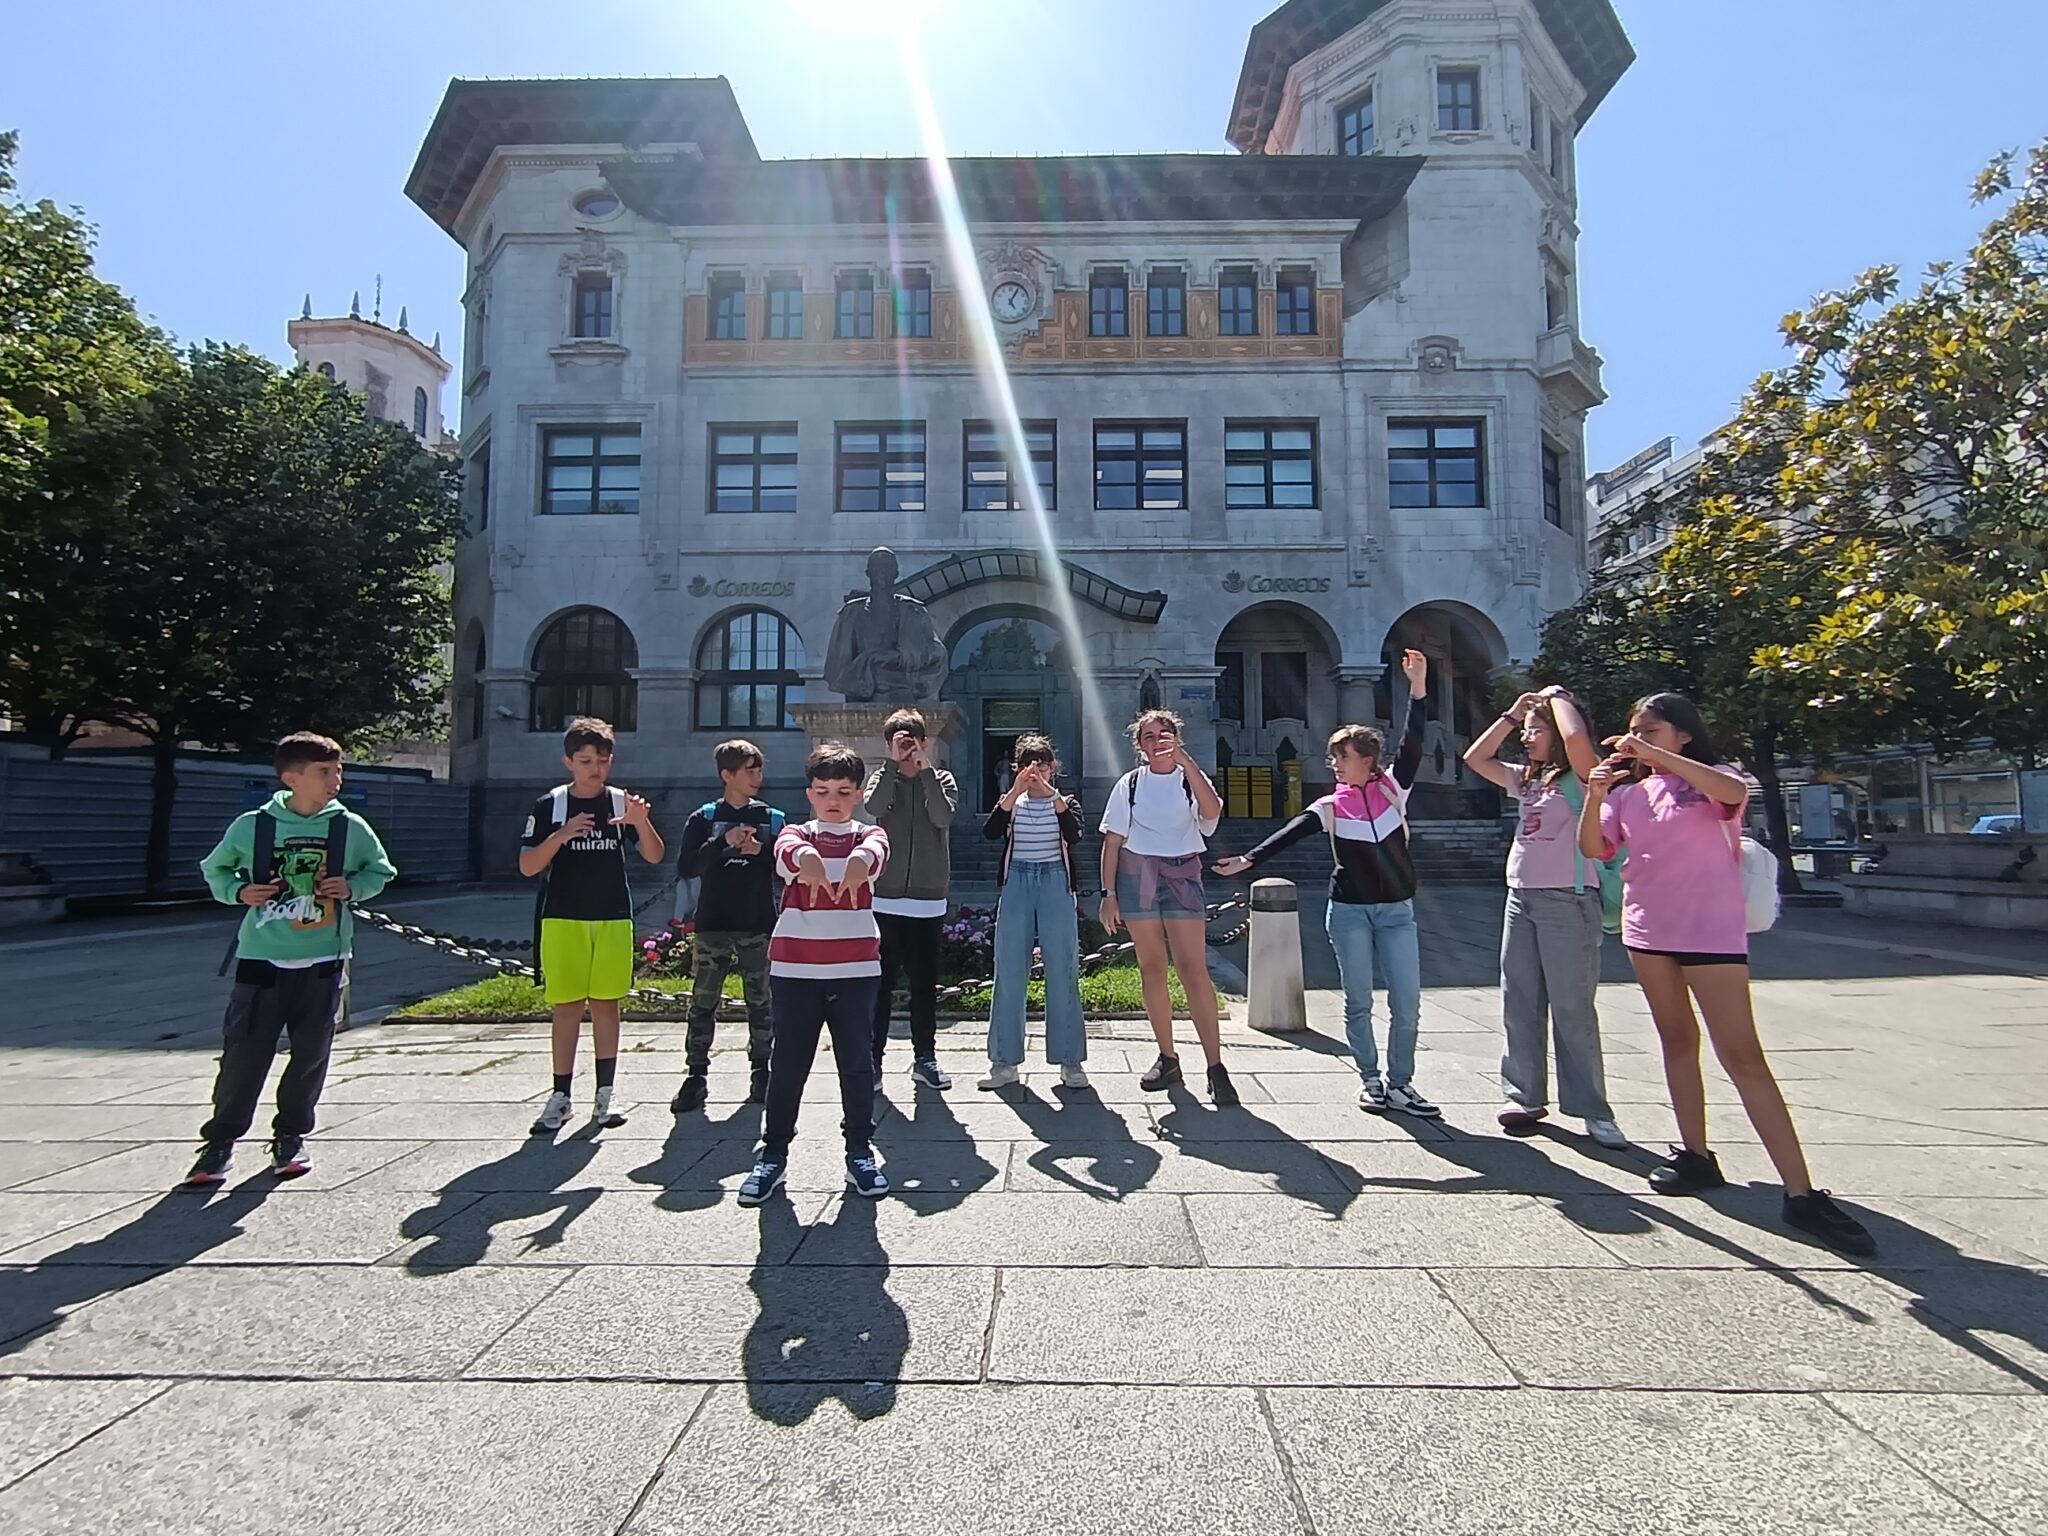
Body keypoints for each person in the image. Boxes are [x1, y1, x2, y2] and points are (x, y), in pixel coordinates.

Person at [1577, 691, 1875, 1255]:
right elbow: (1596, 847)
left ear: (1683, 734)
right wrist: (1595, 796)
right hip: (1649, 930)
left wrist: (1659, 757)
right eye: (1634, 729)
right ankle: (1695, 1153)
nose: (1637, 738)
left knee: (1741, 1055)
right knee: (1676, 1040)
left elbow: (1734, 794)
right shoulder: (1631, 794)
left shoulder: (1711, 778)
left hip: (1710, 932)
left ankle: (1801, 1191)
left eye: (1653, 730)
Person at [1213, 650, 1437, 1117]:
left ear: (1368, 760)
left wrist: (1417, 687)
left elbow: (1413, 743)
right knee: (1358, 1001)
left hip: (1398, 913)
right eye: (1334, 757)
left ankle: (1403, 1083)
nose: (1334, 765)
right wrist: (1248, 860)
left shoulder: (1395, 789)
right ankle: (1371, 1079)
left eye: (1342, 757)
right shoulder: (1331, 806)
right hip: (1350, 913)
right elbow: (1290, 832)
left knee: (1408, 1003)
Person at [182, 732, 397, 1187]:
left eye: (338, 770)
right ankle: (219, 1143)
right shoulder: (254, 826)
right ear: (291, 777)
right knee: (244, 1055)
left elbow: (380, 870)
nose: (335, 779)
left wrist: (353, 888)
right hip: (261, 959)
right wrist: (239, 891)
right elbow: (215, 868)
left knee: (310, 1055)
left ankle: (292, 1136)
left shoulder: (348, 827)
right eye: (325, 772)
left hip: (324, 958)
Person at [1463, 686, 1625, 1147]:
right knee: (1520, 1001)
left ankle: (1593, 1109)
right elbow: (1477, 758)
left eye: (1538, 731)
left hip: (1568, 901)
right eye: (1528, 731)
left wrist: (1557, 701)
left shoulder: (1580, 776)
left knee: (1572, 1007)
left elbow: (1577, 742)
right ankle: (1525, 1095)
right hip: (1521, 898)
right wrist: (1514, 715)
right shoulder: (1528, 778)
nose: (1529, 737)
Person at [741, 742, 892, 1205]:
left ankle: (860, 1151)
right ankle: (773, 1154)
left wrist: (856, 863)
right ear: (810, 792)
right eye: (824, 790)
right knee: (788, 1062)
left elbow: (873, 856)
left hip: (855, 968)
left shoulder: (871, 835)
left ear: (859, 793)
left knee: (856, 1062)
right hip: (796, 969)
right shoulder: (793, 832)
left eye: (844, 791)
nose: (833, 799)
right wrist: (806, 859)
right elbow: (788, 854)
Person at [518, 716, 664, 1136]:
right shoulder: (551, 805)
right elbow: (528, 866)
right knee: (566, 1006)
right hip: (563, 916)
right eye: (585, 761)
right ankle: (561, 1094)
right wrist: (561, 835)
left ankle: (606, 1092)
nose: (594, 769)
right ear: (568, 762)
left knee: (606, 1003)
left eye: (601, 760)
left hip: (612, 915)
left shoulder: (621, 803)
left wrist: (640, 822)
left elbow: (654, 856)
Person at [1099, 708, 1237, 1106]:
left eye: (1165, 733)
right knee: (1153, 968)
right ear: (1139, 747)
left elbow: (1211, 814)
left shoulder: (1190, 780)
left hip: (1182, 876)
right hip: (1137, 876)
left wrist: (1187, 762)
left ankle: (1215, 1066)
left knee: (1194, 969)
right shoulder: (1129, 785)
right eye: (1148, 736)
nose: (1157, 741)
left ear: (1176, 738)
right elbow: (1112, 842)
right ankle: (1168, 1057)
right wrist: (1108, 895)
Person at [669, 739, 785, 1114]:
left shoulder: (773, 818)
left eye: (759, 770)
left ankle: (762, 1071)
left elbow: (788, 865)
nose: (757, 777)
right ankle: (696, 1074)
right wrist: (722, 842)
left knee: (761, 1001)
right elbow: (686, 867)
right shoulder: (702, 818)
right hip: (713, 923)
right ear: (727, 775)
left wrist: (760, 852)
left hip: (757, 921)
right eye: (749, 771)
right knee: (703, 1001)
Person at [977, 735, 1087, 1091]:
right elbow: (991, 831)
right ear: (1017, 768)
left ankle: (1070, 1060)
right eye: (1028, 763)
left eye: (1042, 763)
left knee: (1063, 968)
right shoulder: (1012, 803)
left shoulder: (1065, 802)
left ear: (1053, 767)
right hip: (1018, 882)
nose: (1035, 770)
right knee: (1009, 969)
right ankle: (1004, 1062)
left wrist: (1050, 794)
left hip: (1055, 881)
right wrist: (1013, 793)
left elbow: (1075, 834)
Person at [864, 709, 960, 1091]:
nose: (906, 747)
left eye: (912, 740)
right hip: (885, 898)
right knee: (880, 985)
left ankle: (925, 1057)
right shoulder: (882, 777)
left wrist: (925, 774)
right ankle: (873, 1059)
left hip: (927, 898)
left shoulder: (941, 779)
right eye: (898, 741)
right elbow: (873, 808)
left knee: (924, 984)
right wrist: (892, 767)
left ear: (925, 742)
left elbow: (942, 817)